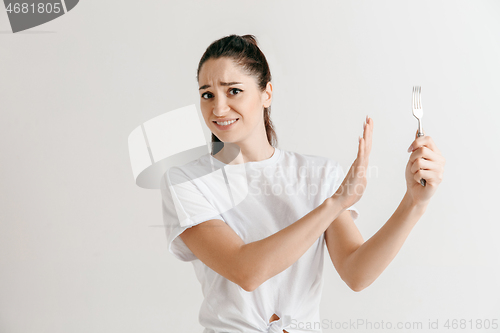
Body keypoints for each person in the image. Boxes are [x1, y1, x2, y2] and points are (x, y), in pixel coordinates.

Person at [160, 34, 446, 333]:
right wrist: (335, 203)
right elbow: (245, 270)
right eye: (207, 94)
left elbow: (356, 272)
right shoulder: (187, 182)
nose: (218, 109)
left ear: (266, 94)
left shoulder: (317, 173)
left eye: (233, 91)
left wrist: (415, 203)